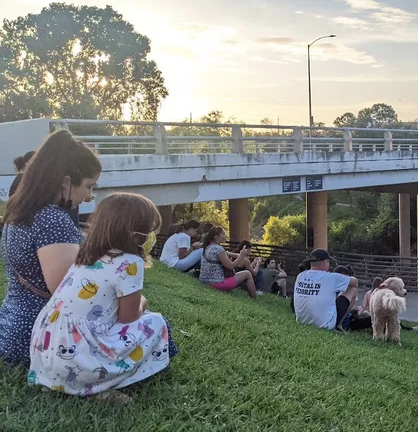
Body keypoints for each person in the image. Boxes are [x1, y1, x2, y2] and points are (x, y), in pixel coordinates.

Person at [28, 193, 178, 402]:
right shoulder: (130, 262)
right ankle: (96, 386)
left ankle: (60, 382)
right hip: (82, 359)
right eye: (148, 230)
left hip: (47, 354)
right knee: (155, 322)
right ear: (137, 233)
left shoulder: (86, 255)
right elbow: (128, 318)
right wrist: (143, 302)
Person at [0, 130, 101, 366]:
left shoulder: (21, 211)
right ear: (66, 181)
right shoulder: (52, 220)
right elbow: (69, 295)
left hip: (12, 328)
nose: (89, 196)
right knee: (151, 327)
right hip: (43, 337)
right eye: (88, 186)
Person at [293, 249, 358, 331]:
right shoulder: (331, 277)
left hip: (302, 320)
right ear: (325, 263)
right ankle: (339, 325)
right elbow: (355, 282)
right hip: (325, 324)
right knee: (353, 289)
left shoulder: (300, 276)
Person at [199, 226, 259, 298]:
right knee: (247, 273)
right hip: (216, 284)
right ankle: (254, 298)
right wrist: (241, 255)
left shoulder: (208, 246)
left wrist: (238, 255)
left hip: (204, 281)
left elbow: (226, 254)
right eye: (223, 234)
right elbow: (230, 266)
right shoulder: (218, 249)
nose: (225, 236)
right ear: (216, 237)